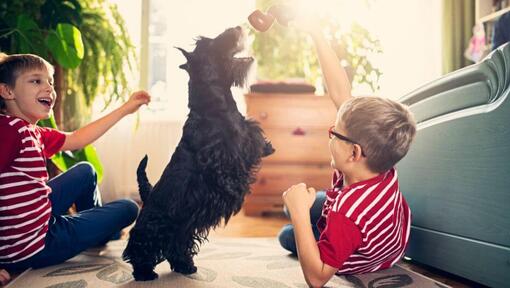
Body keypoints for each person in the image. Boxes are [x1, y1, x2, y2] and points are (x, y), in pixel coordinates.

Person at [277, 14, 417, 287]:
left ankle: (298, 218)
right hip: (385, 235)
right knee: (301, 205)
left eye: (334, 133)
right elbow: (341, 93)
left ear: (354, 153)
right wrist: (316, 32)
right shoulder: (380, 157)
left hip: (360, 243)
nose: (329, 135)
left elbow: (317, 278)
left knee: (288, 232)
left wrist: (299, 213)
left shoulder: (347, 213)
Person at [0, 53, 150, 281]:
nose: (49, 88)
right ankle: (100, 232)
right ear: (7, 91)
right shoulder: (9, 131)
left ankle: (98, 233)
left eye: (50, 81)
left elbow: (77, 138)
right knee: (129, 208)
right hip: (37, 243)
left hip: (36, 218)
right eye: (36, 81)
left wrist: (126, 108)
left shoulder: (29, 130)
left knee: (85, 170)